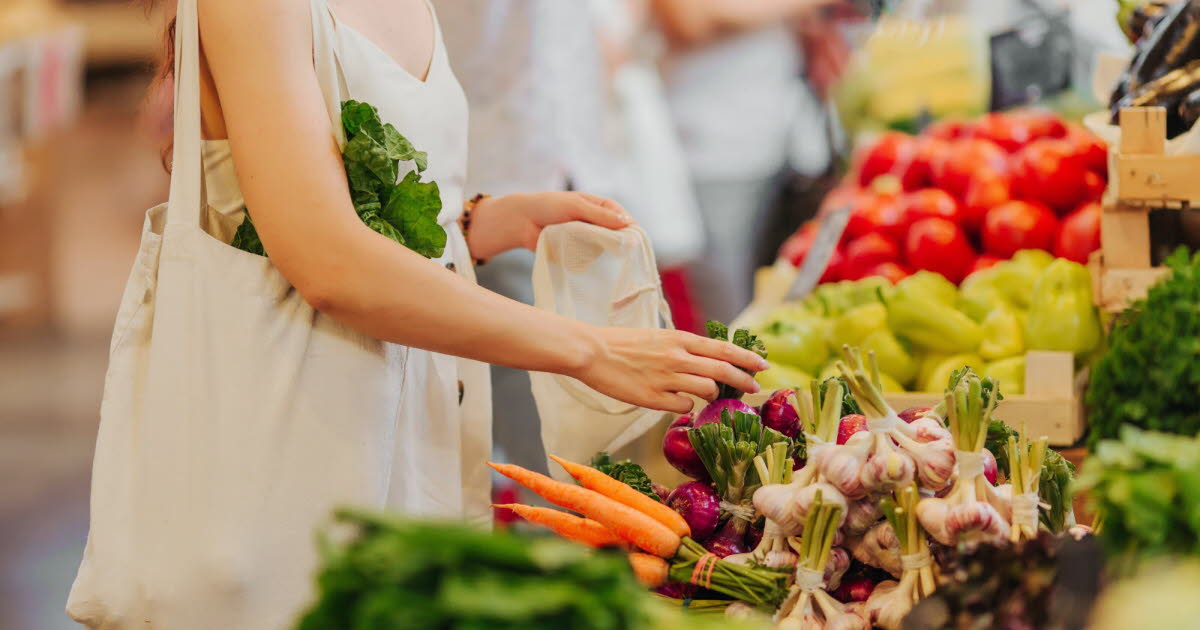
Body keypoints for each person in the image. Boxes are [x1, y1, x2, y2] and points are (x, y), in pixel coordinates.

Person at [65, 1, 767, 628]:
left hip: (403, 431)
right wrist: (591, 350)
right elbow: (326, 262)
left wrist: (476, 222)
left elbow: (348, 202)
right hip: (286, 451)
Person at [650, 0, 854, 322]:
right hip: (712, 148)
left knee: (778, 296)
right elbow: (687, 19)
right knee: (732, 312)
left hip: (775, 139)